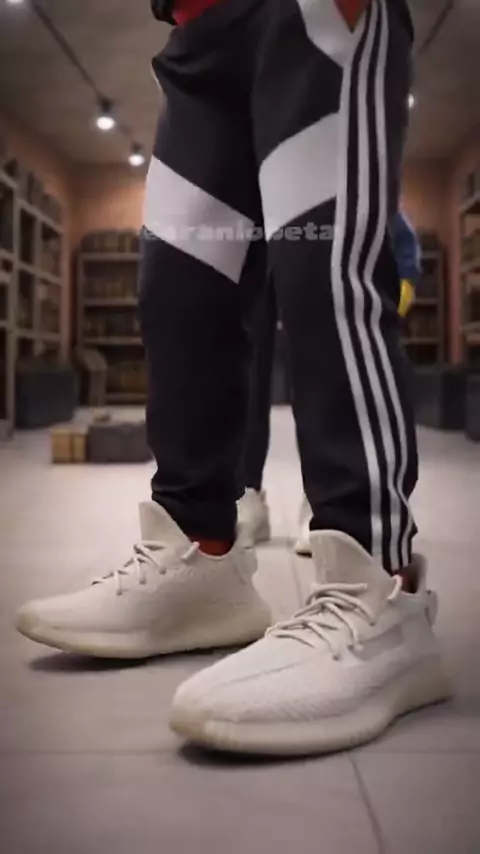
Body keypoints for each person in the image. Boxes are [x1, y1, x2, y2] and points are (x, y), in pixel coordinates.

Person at [15, 0, 450, 756]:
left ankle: (379, 594)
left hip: (311, 11)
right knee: (180, 293)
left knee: (324, 274)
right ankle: (200, 557)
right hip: (198, 30)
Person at [239, 210, 422, 553]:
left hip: (318, 223)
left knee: (324, 347)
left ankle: (327, 499)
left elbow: (389, 220)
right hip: (253, 233)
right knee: (243, 352)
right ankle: (243, 492)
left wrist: (400, 283)